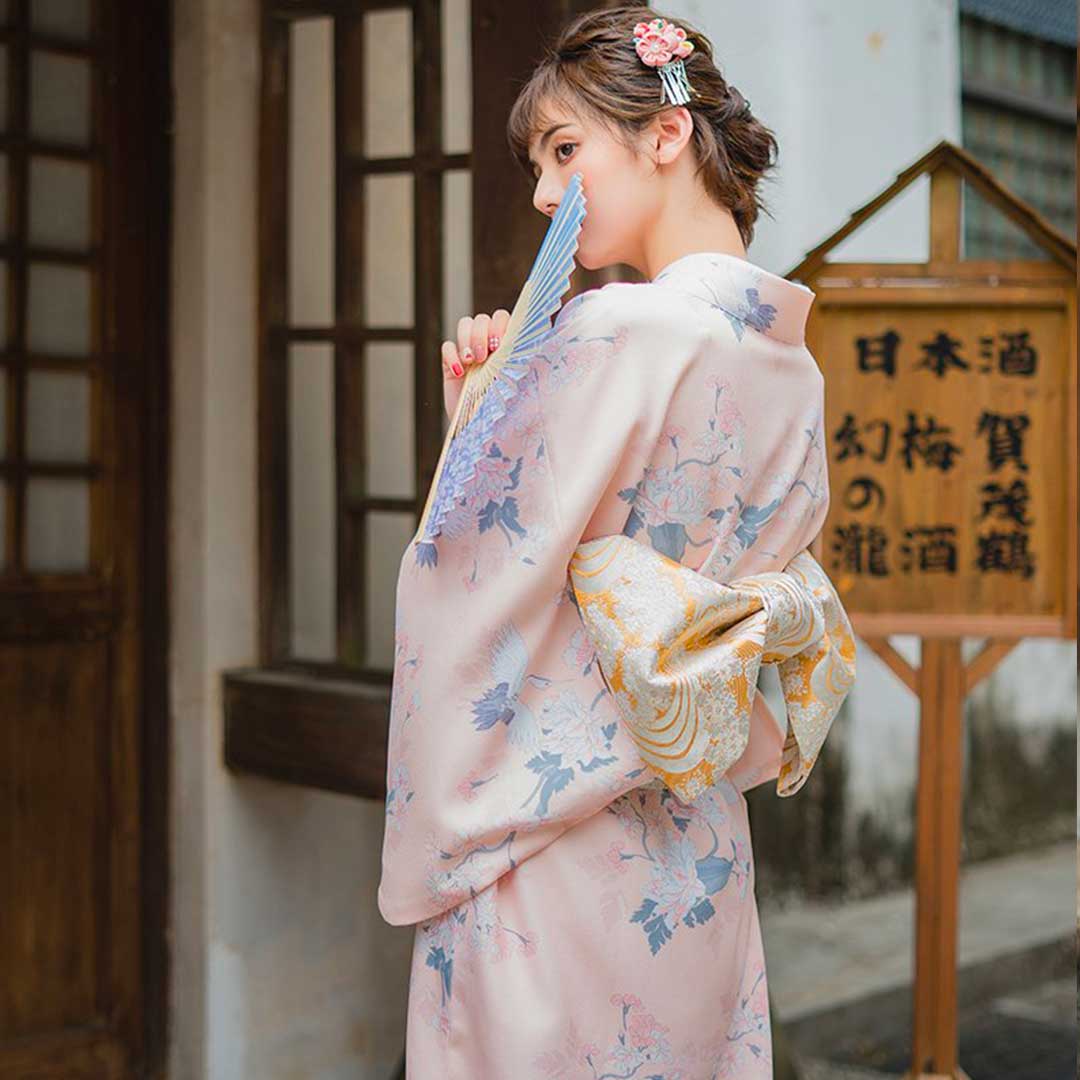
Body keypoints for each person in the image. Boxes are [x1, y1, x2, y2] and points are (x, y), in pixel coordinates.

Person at [378, 6, 855, 1077]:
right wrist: (495, 402)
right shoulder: (791, 363)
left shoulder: (608, 331)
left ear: (666, 135)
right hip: (694, 841)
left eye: (563, 150)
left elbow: (469, 584)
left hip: (553, 845)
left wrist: (478, 422)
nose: (546, 194)